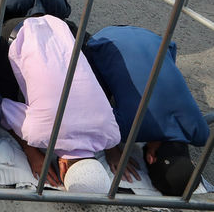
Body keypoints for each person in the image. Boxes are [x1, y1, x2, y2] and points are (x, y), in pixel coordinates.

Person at [84, 26, 210, 195]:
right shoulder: (129, 128)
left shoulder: (201, 134)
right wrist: (112, 152)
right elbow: (96, 117)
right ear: (151, 158)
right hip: (103, 41)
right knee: (94, 90)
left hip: (156, 41)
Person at [1, 15, 121, 190]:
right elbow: (4, 107)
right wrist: (32, 152)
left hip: (62, 27)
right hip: (17, 30)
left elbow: (109, 137)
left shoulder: (112, 135)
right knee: (0, 90)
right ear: (62, 168)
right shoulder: (39, 134)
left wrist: (114, 152)